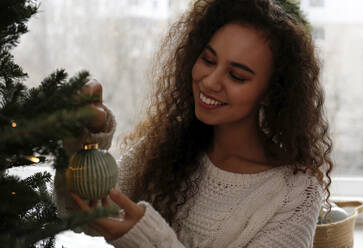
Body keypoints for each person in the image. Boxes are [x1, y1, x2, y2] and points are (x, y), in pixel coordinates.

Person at [54, 0, 334, 247]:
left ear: (271, 93)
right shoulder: (169, 145)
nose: (210, 81)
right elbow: (81, 214)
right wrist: (86, 137)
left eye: (237, 76)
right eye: (208, 60)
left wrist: (148, 240)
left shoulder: (296, 193)